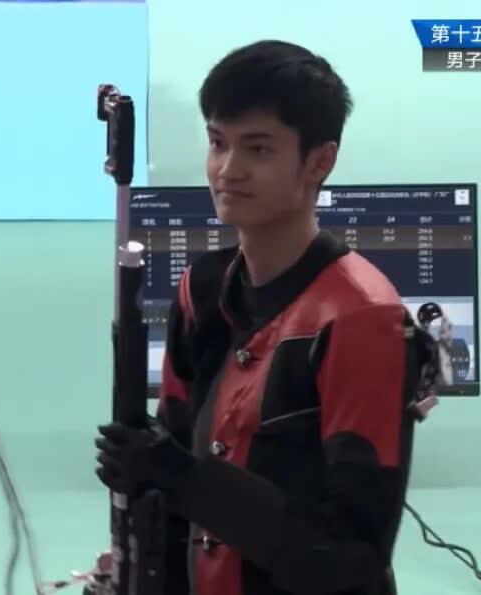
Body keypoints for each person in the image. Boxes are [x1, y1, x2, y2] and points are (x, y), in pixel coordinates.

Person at [95, 40, 424, 595]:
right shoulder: (202, 289)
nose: (228, 170)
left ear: (319, 161)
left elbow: (352, 559)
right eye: (217, 143)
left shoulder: (363, 318)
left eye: (258, 149)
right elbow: (169, 484)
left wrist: (181, 475)